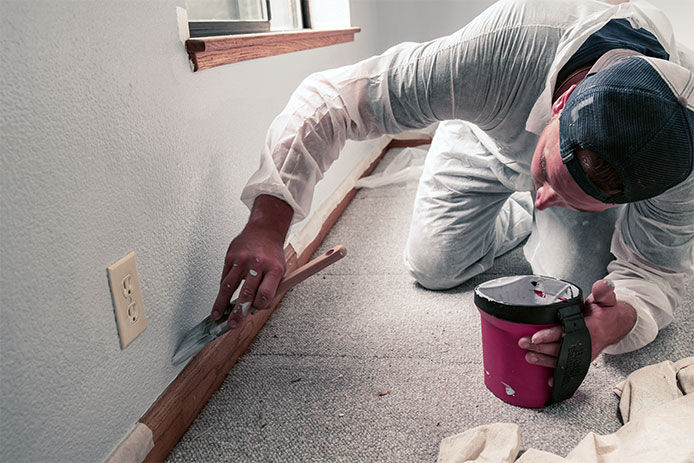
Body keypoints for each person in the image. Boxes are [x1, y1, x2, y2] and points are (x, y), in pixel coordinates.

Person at [211, 0, 694, 373]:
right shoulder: (498, 51)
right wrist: (268, 223)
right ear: (563, 100)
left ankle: (562, 200)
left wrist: (618, 322)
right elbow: (332, 99)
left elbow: (656, 270)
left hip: (584, 161)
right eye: (546, 177)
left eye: (574, 201)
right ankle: (524, 213)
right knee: (433, 266)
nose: (545, 194)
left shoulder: (678, 160)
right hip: (482, 143)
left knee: (581, 296)